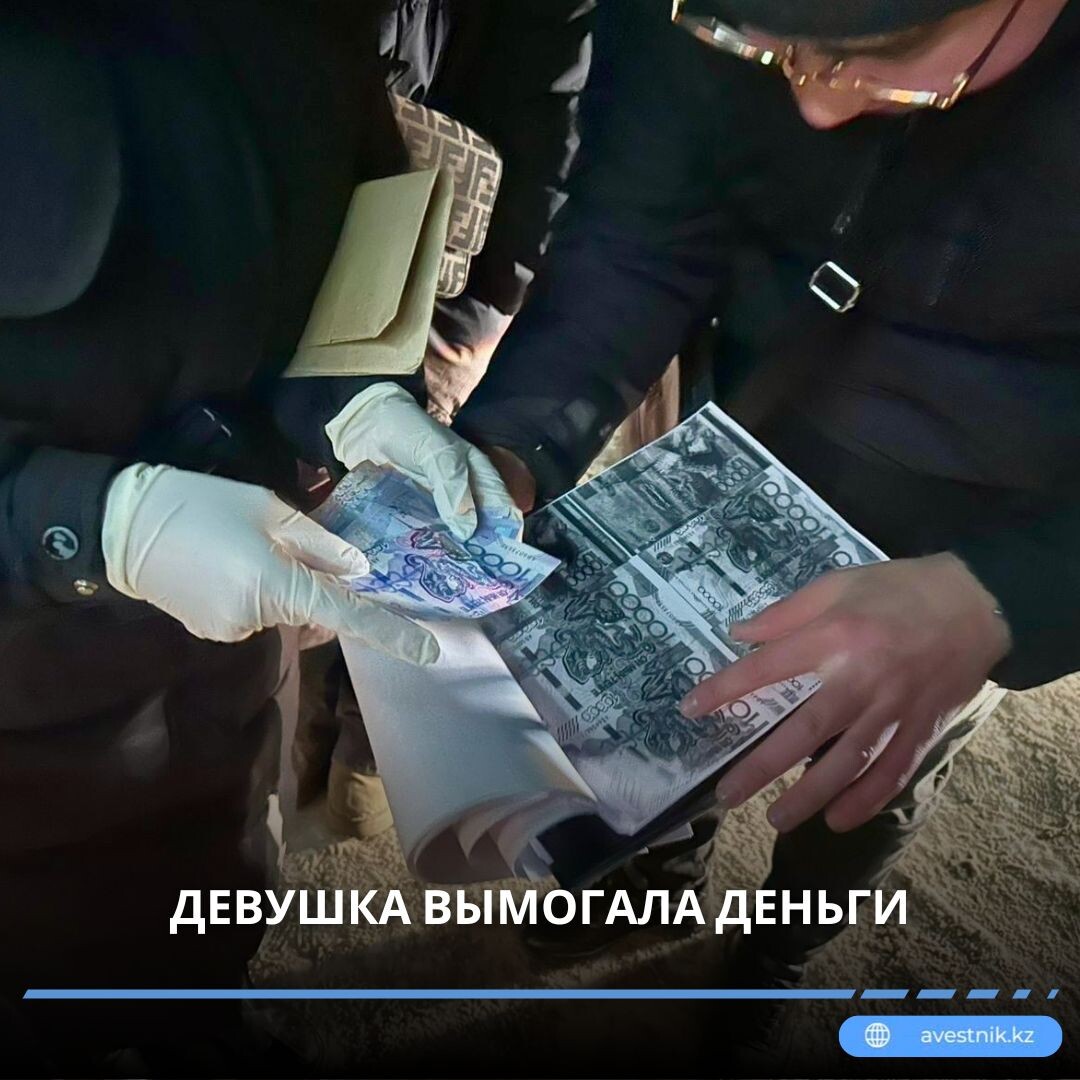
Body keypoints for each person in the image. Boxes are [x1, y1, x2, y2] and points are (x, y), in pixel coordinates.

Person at [457, 0, 1080, 1044]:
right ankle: (661, 864)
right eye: (751, 43)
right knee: (668, 700)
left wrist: (1008, 595)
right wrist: (513, 448)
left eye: (880, 58)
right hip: (742, 411)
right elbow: (640, 228)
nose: (816, 106)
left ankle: (782, 945)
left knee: (862, 778)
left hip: (973, 524)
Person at [0, 0, 517, 1071]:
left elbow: (332, 221)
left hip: (223, 641)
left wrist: (354, 395)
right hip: (23, 678)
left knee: (210, 894)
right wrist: (94, 525)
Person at [293, 0, 596, 839]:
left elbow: (542, 124)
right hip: (282, 269)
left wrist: (469, 328)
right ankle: (309, 729)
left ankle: (369, 750)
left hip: (435, 290)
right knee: (301, 532)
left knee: (412, 529)